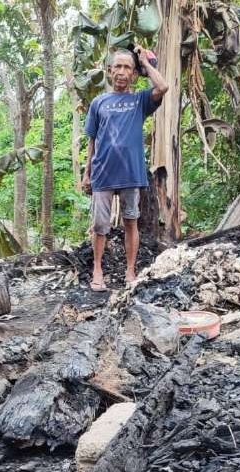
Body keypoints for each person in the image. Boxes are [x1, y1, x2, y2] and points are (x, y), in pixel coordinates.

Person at [81, 45, 169, 291]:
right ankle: (97, 270)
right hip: (102, 173)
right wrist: (86, 173)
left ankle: (130, 271)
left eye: (127, 67)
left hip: (131, 173)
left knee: (131, 222)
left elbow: (162, 87)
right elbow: (92, 140)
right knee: (100, 226)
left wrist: (144, 61)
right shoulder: (99, 103)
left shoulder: (139, 100)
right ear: (109, 71)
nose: (121, 71)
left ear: (133, 74)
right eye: (117, 66)